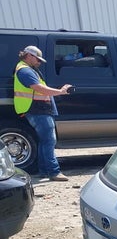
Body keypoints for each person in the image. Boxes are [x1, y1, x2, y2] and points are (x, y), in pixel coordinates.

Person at [13, 45, 73, 181]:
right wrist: (61, 92)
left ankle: (44, 171)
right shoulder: (25, 71)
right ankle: (54, 172)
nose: (39, 62)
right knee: (49, 141)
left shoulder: (27, 69)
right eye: (37, 59)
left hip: (38, 109)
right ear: (29, 56)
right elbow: (39, 89)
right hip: (37, 110)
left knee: (44, 141)